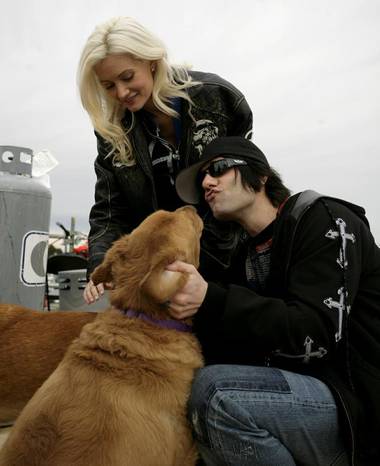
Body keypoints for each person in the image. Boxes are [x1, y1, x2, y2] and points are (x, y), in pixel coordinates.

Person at [168, 136, 380, 466]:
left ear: (261, 175)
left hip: (356, 407)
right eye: (201, 179)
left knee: (217, 393)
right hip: (301, 401)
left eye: (218, 169)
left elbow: (316, 337)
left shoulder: (324, 220)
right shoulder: (245, 258)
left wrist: (213, 300)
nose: (207, 182)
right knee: (188, 390)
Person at [76, 16, 253, 304]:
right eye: (108, 85)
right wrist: (100, 263)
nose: (121, 93)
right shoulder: (112, 131)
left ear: (152, 61)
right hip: (159, 279)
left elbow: (242, 187)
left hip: (231, 269)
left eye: (127, 77)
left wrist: (200, 278)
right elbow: (109, 210)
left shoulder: (219, 98)